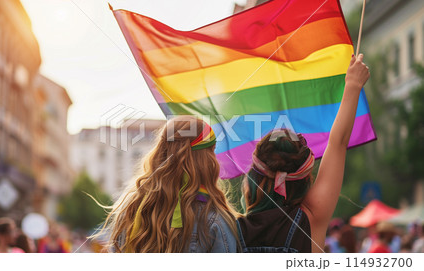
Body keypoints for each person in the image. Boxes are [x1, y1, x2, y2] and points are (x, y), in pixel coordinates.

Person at [237, 54, 370, 253]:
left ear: (252, 178)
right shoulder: (310, 219)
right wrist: (353, 85)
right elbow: (338, 143)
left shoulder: (229, 230)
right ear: (303, 180)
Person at [99, 116, 239, 252]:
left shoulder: (131, 209)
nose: (215, 159)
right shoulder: (214, 220)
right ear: (204, 160)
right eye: (212, 150)